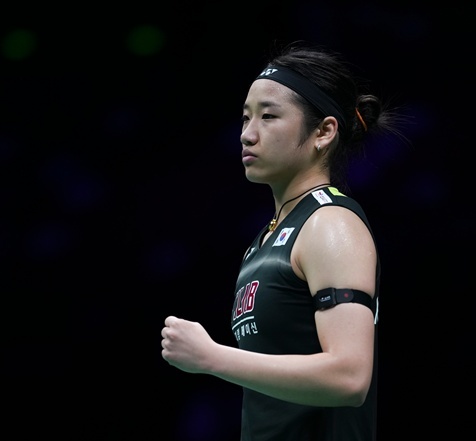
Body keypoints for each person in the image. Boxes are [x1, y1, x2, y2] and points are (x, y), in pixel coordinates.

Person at [161, 42, 404, 441]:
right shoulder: (265, 241)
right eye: (245, 117)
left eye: (269, 116)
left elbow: (350, 377)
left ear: (324, 132)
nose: (247, 134)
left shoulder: (331, 224)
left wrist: (211, 357)